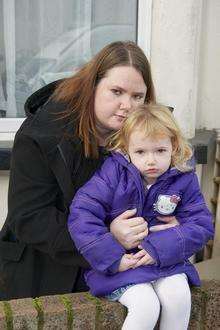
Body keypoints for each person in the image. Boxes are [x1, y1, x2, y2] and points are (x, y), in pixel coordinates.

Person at [0, 41, 170, 301]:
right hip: (41, 275)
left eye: (137, 96)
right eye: (116, 91)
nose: (127, 105)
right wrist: (105, 239)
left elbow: (164, 194)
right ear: (92, 86)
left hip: (115, 273)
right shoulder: (42, 133)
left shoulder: (144, 140)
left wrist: (174, 222)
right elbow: (30, 218)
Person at [67, 104, 214, 330]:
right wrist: (114, 259)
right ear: (127, 149)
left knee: (178, 297)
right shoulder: (113, 173)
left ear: (173, 146)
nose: (151, 161)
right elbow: (82, 214)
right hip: (123, 266)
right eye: (141, 152)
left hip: (167, 262)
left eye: (160, 151)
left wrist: (164, 245)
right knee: (145, 306)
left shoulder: (183, 179)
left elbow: (201, 224)